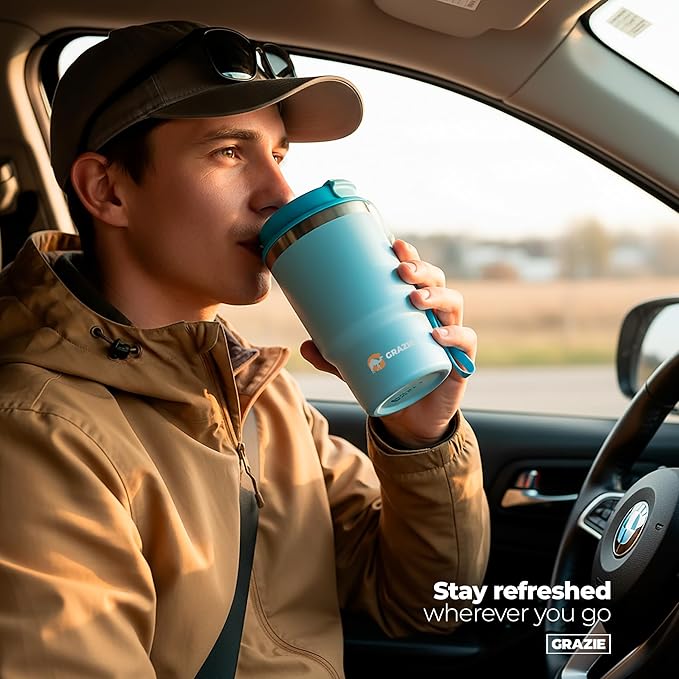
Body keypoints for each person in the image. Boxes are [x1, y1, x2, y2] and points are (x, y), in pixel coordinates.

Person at [0, 19, 490, 678]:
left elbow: (427, 605)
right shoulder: (39, 431)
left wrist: (419, 435)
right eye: (229, 152)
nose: (279, 194)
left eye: (278, 155)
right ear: (107, 191)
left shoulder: (258, 390)